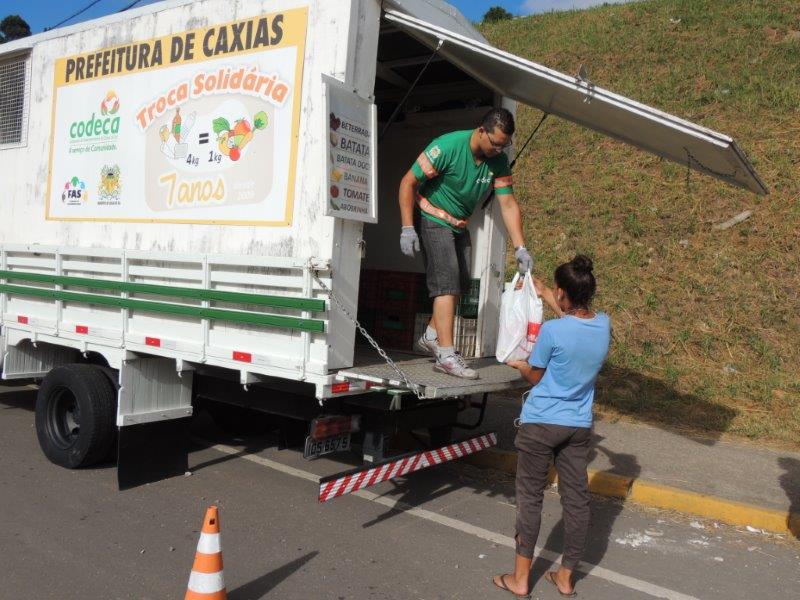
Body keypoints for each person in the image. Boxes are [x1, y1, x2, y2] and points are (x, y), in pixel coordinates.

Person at [492, 255, 610, 598]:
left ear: (563, 293)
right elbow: (575, 328)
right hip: (577, 426)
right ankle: (566, 577)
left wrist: (518, 364)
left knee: (530, 498)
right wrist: (546, 294)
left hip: (541, 423)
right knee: (577, 500)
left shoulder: (551, 331)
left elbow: (536, 373)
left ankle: (520, 580)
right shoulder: (603, 324)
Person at [398, 108, 533, 379]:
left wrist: (520, 247)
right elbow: (408, 182)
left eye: (504, 145)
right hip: (433, 216)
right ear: (481, 130)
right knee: (446, 284)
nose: (499, 150)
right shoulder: (446, 147)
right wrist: (407, 227)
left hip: (459, 223)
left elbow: (507, 204)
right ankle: (446, 355)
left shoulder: (498, 162)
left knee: (459, 282)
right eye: (495, 143)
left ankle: (431, 336)